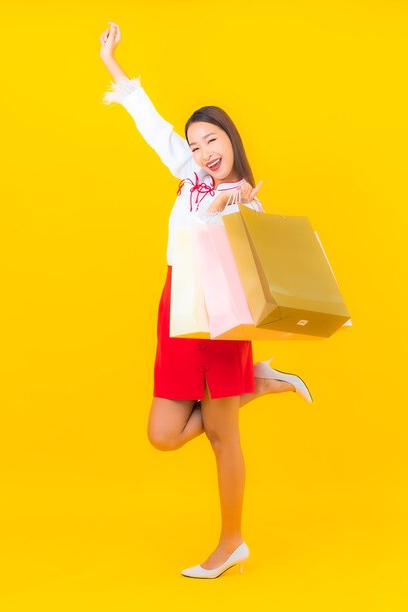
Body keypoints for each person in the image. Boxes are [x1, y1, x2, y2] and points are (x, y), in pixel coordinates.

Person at [99, 21, 312, 579]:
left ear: (231, 140)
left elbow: (244, 268)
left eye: (211, 140)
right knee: (162, 434)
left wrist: (234, 206)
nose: (202, 151)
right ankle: (262, 384)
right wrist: (112, 63)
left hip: (218, 321)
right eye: (195, 144)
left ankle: (232, 542)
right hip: (176, 308)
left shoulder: (247, 202)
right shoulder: (190, 174)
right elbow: (153, 125)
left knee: (222, 436)